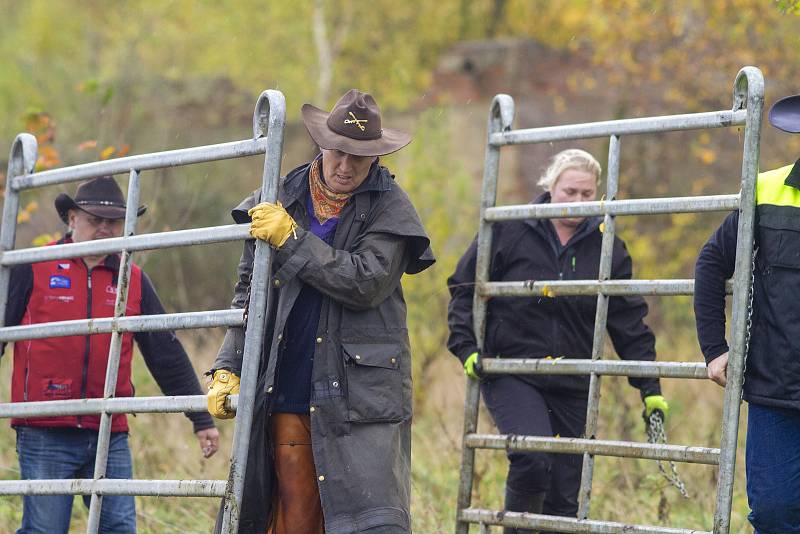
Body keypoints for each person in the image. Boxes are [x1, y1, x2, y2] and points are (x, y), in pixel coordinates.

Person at [207, 89, 434, 533]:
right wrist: (228, 363)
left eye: (358, 157)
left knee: (371, 521)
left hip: (359, 394)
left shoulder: (390, 207)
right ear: (321, 145)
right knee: (295, 517)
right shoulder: (281, 195)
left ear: (375, 157)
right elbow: (250, 292)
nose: (345, 166)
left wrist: (292, 240)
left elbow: (365, 282)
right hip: (289, 381)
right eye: (337, 153)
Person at [447, 149, 669, 532]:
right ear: (549, 187)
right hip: (513, 370)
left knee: (566, 491)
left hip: (573, 376)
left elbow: (627, 320)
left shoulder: (607, 245)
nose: (578, 202)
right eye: (569, 191)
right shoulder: (509, 228)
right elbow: (464, 286)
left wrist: (649, 387)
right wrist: (465, 345)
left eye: (587, 194)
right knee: (533, 456)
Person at [1, 176, 219, 534]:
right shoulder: (34, 268)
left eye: (114, 221)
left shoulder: (131, 278)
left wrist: (200, 417)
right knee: (44, 529)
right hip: (45, 428)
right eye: (94, 219)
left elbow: (164, 351)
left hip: (109, 429)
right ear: (71, 219)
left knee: (118, 528)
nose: (104, 228)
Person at [694, 95, 800, 534]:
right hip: (777, 388)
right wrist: (715, 349)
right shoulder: (765, 188)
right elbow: (712, 263)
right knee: (775, 513)